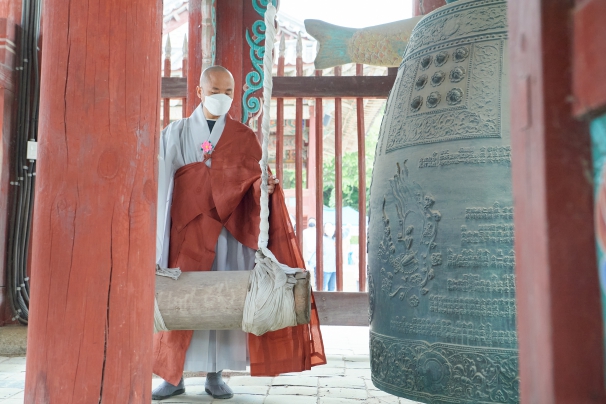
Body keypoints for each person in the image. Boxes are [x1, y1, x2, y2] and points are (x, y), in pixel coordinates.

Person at [152, 66, 325, 400]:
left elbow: (253, 181)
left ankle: (216, 374)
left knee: (222, 301)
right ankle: (172, 376)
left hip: (227, 231)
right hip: (187, 230)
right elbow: (161, 181)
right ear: (200, 91)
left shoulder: (244, 137)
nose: (222, 97)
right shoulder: (176, 133)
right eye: (215, 90)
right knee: (180, 299)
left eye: (229, 92)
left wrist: (265, 185)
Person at [302, 217, 317, 289]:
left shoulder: (317, 231)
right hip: (306, 253)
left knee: (315, 270)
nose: (311, 223)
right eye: (310, 221)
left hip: (315, 253)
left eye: (313, 222)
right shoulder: (304, 232)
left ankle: (316, 285)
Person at [322, 222, 337, 291]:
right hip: (325, 268)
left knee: (332, 289)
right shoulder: (322, 239)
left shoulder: (335, 239)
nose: (329, 229)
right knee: (322, 289)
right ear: (324, 230)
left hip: (334, 268)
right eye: (327, 227)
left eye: (331, 227)